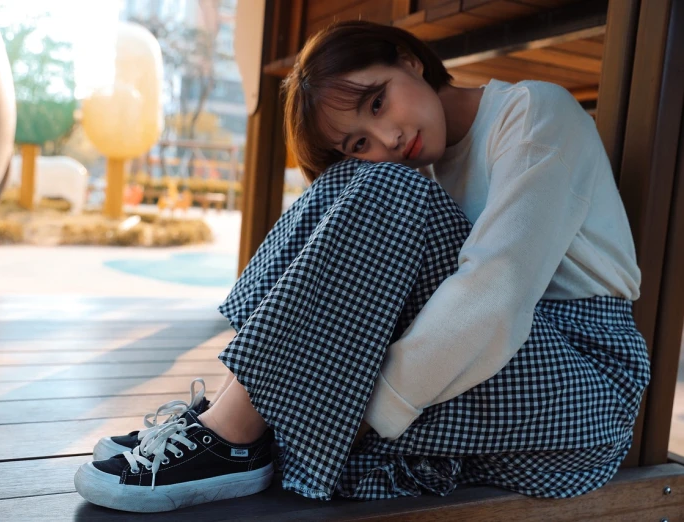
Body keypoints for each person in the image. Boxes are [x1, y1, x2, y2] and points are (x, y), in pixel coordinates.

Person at [74, 20, 650, 513]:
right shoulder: (419, 168)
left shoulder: (531, 113)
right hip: (498, 370)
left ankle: (234, 435)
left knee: (380, 188)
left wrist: (350, 412)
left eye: (377, 102)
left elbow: (494, 294)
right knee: (353, 186)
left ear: (407, 60)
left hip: (584, 385)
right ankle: (231, 418)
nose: (388, 136)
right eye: (357, 141)